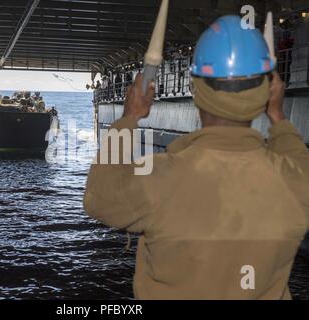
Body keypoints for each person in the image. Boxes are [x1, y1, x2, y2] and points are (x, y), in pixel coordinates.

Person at [84, 15, 309, 300]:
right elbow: (296, 155)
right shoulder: (296, 181)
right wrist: (277, 115)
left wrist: (129, 118)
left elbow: (99, 196)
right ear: (267, 92)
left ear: (197, 91)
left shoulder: (160, 178)